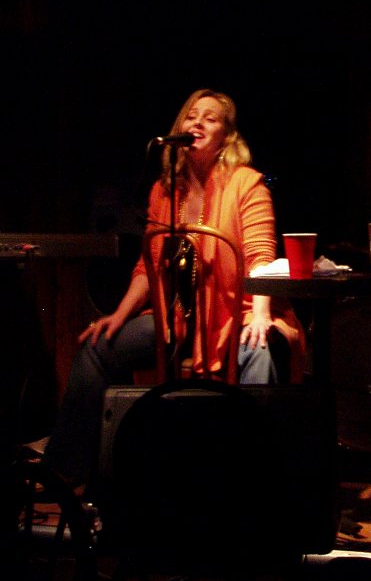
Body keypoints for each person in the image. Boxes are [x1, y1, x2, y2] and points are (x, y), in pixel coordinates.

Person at [41, 88, 306, 492]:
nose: (197, 123)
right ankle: (69, 474)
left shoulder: (247, 184)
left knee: (260, 352)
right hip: (180, 319)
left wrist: (261, 313)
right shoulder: (165, 190)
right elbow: (149, 267)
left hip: (242, 313)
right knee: (99, 345)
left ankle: (256, 485)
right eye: (191, 116)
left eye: (210, 118)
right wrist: (119, 314)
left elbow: (261, 258)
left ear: (227, 136)